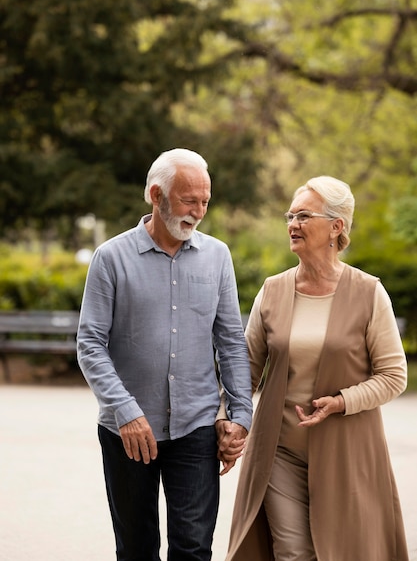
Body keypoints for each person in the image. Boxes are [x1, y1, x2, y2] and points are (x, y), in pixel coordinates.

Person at [77, 148, 252, 561]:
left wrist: (241, 415)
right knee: (136, 550)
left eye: (205, 201)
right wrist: (125, 410)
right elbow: (89, 344)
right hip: (127, 432)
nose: (199, 211)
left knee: (193, 549)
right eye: (190, 200)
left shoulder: (217, 256)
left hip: (196, 427)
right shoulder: (111, 258)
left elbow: (230, 340)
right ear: (156, 196)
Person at [225, 176, 409, 561]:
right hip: (279, 451)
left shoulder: (369, 292)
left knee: (343, 552)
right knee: (294, 552)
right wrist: (230, 421)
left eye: (304, 216)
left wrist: (341, 401)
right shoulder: (272, 290)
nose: (293, 224)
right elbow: (245, 368)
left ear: (336, 226)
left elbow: (394, 376)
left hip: (347, 451)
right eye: (290, 216)